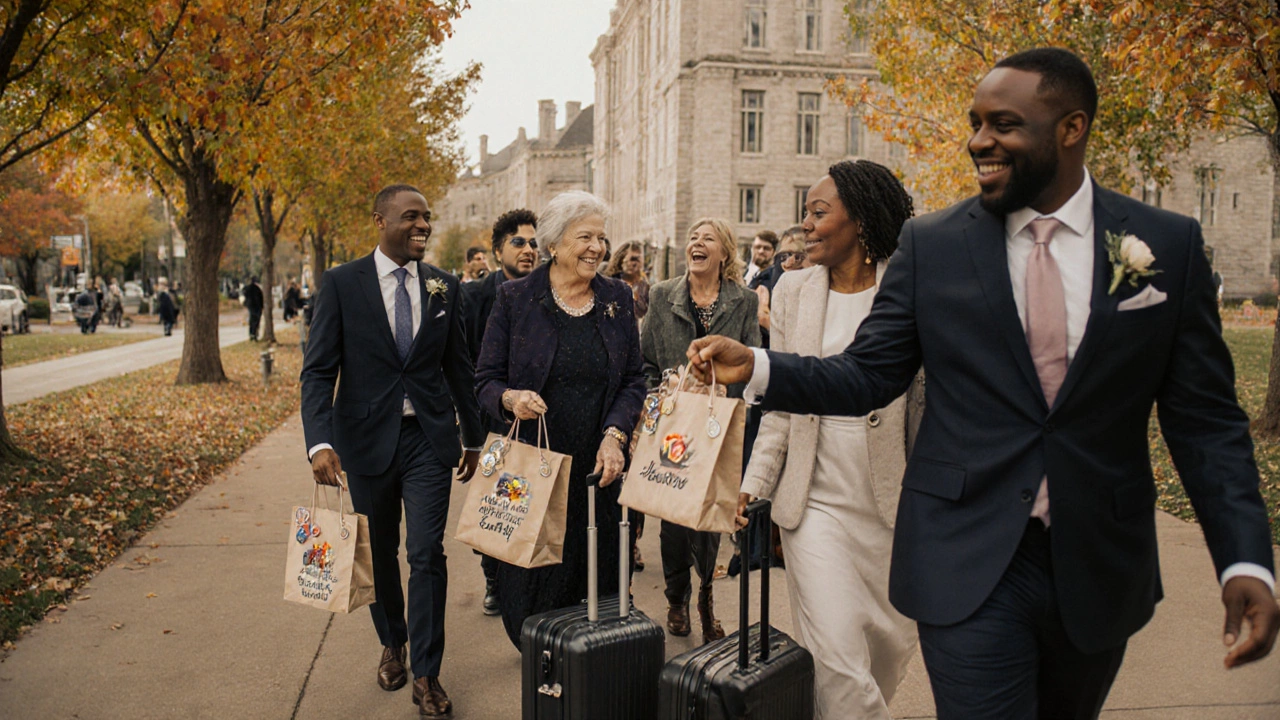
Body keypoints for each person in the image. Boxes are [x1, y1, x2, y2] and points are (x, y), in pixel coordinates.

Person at [688, 48, 1278, 719]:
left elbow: (1205, 424)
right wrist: (760, 366)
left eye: (1004, 124)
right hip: (965, 555)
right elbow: (866, 375)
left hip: (1098, 562)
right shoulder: (933, 247)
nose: (978, 141)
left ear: (1071, 127)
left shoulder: (1163, 248)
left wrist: (1245, 561)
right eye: (975, 123)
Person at [741, 160, 921, 718]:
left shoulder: (912, 284)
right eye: (806, 213)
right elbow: (784, 401)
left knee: (883, 662)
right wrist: (754, 484)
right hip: (815, 502)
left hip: (897, 506)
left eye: (820, 213)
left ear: (862, 220)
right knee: (838, 664)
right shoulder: (793, 290)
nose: (806, 225)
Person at [301, 184, 485, 718]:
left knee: (427, 553)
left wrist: (471, 435)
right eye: (411, 217)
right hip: (363, 441)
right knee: (379, 551)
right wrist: (320, 441)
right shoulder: (340, 284)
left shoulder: (445, 287)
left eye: (427, 217)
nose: (422, 225)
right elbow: (318, 371)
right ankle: (392, 641)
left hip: (428, 439)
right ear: (380, 220)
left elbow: (459, 366)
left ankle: (427, 673)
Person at [474, 190, 646, 648]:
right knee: (533, 584)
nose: (597, 247)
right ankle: (545, 667)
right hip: (534, 467)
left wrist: (616, 435)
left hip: (598, 469)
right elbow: (485, 380)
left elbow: (633, 378)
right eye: (585, 236)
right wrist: (510, 399)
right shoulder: (516, 298)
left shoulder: (617, 298)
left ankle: (592, 673)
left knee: (600, 578)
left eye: (602, 238)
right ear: (554, 242)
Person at [641, 217, 760, 644]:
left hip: (719, 425)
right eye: (693, 236)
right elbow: (646, 364)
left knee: (711, 517)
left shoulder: (742, 301)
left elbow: (753, 361)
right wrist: (664, 388)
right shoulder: (661, 296)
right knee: (674, 520)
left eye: (707, 238)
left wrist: (727, 384)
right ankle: (677, 597)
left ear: (724, 253)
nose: (697, 242)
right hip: (675, 425)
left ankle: (706, 597)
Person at [460, 207, 539, 616]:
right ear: (497, 250)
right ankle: (492, 577)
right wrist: (467, 432)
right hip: (488, 416)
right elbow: (461, 363)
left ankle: (525, 580)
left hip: (535, 416)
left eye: (533, 243)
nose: (528, 250)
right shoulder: (473, 297)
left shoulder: (546, 294)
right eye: (519, 242)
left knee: (528, 500)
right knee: (492, 504)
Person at [604, 239, 650, 322]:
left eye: (638, 259)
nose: (635, 264)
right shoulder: (610, 284)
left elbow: (643, 313)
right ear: (621, 260)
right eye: (632, 259)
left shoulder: (643, 286)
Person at [242, 276, 264, 341]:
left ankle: (252, 334)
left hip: (251, 306)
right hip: (257, 307)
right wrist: (262, 306)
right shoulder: (258, 289)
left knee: (252, 320)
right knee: (256, 321)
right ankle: (255, 334)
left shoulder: (248, 288)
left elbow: (244, 292)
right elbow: (261, 298)